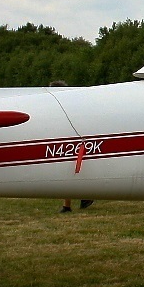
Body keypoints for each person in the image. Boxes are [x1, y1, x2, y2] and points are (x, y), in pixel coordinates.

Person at [49, 79, 94, 213]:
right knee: (68, 172)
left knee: (70, 171)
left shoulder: (68, 105)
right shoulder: (67, 104)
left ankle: (71, 204)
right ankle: (78, 199)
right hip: (67, 141)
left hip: (73, 141)